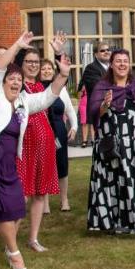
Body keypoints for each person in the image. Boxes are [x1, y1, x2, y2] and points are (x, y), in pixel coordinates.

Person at [0, 31, 70, 269]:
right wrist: (18, 45)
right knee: (4, 209)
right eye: (10, 79)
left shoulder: (23, 101)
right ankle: (15, 255)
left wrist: (63, 73)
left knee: (15, 207)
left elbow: (47, 96)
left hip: (7, 163)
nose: (15, 83)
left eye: (18, 80)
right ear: (2, 81)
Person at [87, 49, 135, 243]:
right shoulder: (102, 87)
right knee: (114, 181)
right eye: (118, 61)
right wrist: (105, 105)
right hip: (111, 143)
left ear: (129, 64)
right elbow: (95, 113)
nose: (122, 64)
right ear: (111, 65)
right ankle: (117, 223)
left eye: (125, 61)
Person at [13, 47, 58, 252]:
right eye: (29, 61)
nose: (33, 65)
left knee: (40, 193)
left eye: (36, 62)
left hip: (44, 144)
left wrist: (57, 56)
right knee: (20, 195)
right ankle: (10, 241)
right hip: (25, 145)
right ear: (21, 64)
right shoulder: (16, 86)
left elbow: (59, 86)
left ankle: (33, 238)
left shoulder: (41, 86)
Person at [38, 53, 78, 212]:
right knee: (45, 166)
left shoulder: (60, 88)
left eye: (49, 68)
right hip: (42, 131)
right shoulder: (36, 89)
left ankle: (64, 200)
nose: (47, 71)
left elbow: (69, 110)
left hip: (59, 130)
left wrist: (74, 127)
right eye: (43, 69)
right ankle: (45, 203)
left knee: (62, 164)